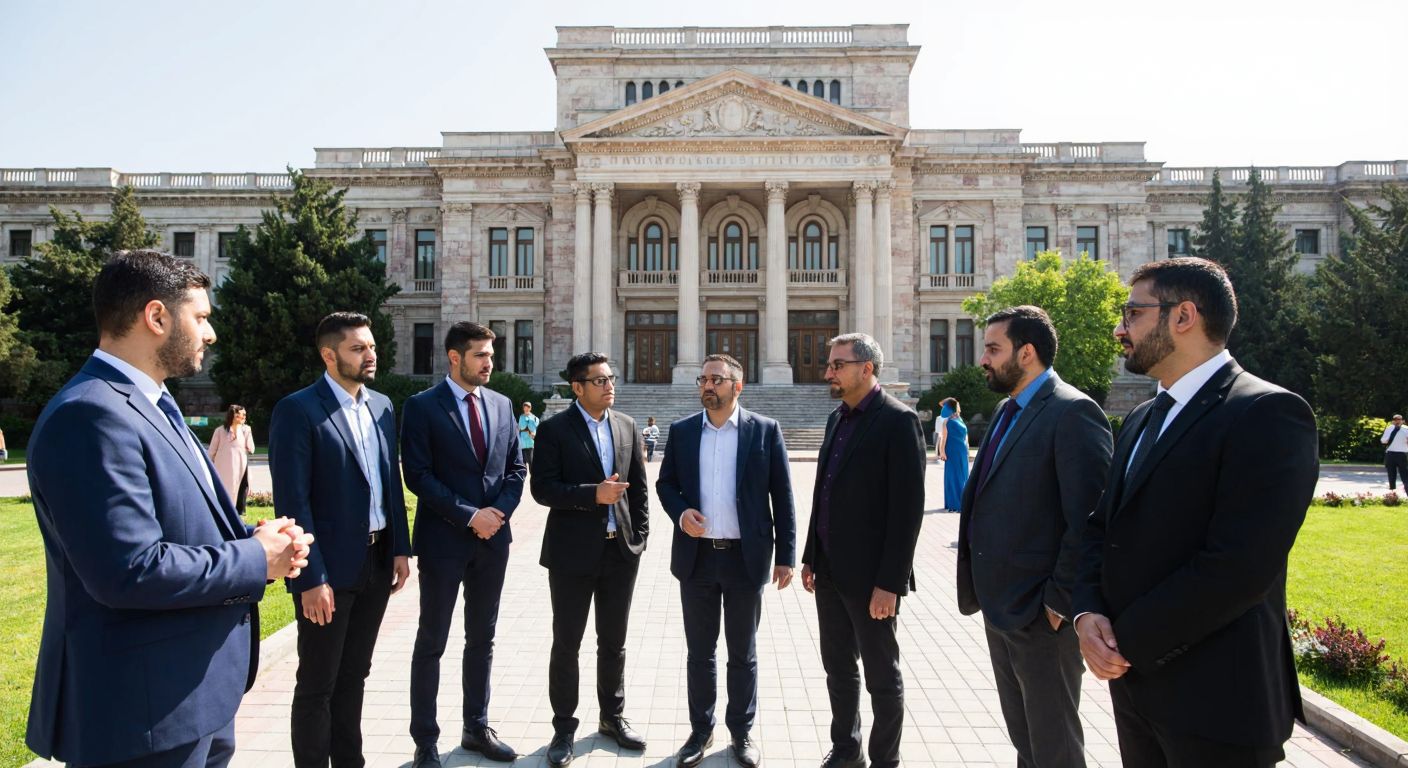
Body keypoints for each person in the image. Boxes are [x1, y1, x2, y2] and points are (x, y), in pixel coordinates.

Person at [26, 249, 310, 768]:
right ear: (156, 317)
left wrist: (257, 536)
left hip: (191, 697)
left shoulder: (153, 401)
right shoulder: (91, 414)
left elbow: (178, 525)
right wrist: (253, 558)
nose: (211, 334)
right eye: (201, 317)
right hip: (142, 717)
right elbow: (128, 571)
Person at [1074, 257, 1319, 767]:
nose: (1120, 328)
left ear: (1183, 317)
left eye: (1133, 313)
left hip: (1219, 705)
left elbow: (1239, 567)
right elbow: (1102, 529)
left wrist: (1124, 641)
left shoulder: (1267, 413)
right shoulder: (1143, 417)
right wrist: (1087, 614)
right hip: (1138, 693)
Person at [955, 306, 1113, 767]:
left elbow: (1088, 520)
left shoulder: (1073, 412)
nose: (982, 360)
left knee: (1055, 746)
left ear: (1027, 353)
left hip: (1042, 617)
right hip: (1003, 608)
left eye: (992, 349)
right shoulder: (1008, 410)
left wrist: (1057, 604)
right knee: (1027, 741)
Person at [269, 311, 412, 768]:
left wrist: (401, 548)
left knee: (356, 676)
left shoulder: (383, 406)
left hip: (375, 566)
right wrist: (310, 577)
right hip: (327, 572)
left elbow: (391, 482)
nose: (370, 355)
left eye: (371, 346)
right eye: (358, 348)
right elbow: (293, 502)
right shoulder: (298, 409)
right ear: (329, 355)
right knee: (318, 684)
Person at [656, 354, 796, 768]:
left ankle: (741, 732)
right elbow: (666, 485)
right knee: (700, 653)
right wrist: (682, 514)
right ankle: (700, 730)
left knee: (743, 652)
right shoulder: (682, 431)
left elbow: (783, 497)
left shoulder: (764, 431)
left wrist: (786, 556)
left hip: (745, 560)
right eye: (703, 378)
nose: (707, 385)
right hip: (696, 560)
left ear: (739, 385)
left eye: (716, 379)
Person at [402, 322, 527, 768]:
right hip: (443, 541)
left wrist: (498, 514)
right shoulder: (421, 407)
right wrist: (469, 515)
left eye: (491, 355)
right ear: (454, 357)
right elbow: (417, 475)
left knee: (483, 638)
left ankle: (476, 727)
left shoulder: (503, 404)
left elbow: (515, 468)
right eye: (481, 355)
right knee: (431, 640)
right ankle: (425, 741)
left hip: (494, 541)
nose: (490, 363)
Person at [800, 333, 926, 768]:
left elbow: (907, 512)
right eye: (830, 363)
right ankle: (846, 749)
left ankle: (885, 759)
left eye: (838, 364)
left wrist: (890, 584)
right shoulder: (838, 418)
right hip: (831, 572)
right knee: (838, 668)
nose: (828, 372)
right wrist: (810, 557)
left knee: (881, 676)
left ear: (867, 368)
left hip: (874, 580)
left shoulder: (898, 421)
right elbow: (824, 492)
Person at [530, 352, 650, 768]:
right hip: (571, 555)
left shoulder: (627, 426)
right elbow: (542, 489)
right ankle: (564, 727)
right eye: (599, 380)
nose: (609, 385)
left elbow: (639, 491)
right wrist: (590, 494)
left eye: (610, 378)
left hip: (620, 553)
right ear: (577, 387)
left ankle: (612, 717)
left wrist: (640, 538)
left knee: (613, 643)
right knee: (567, 643)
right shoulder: (554, 430)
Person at [208, 403, 256, 513]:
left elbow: (251, 448)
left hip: (240, 464)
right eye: (241, 414)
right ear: (233, 416)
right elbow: (212, 451)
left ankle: (237, 511)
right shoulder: (220, 431)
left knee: (239, 486)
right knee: (223, 486)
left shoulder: (246, 430)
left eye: (245, 415)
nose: (244, 417)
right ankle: (222, 509)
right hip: (222, 465)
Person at [936, 398, 969, 512]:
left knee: (963, 475)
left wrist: (967, 448)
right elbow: (943, 438)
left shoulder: (959, 418)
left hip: (962, 451)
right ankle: (954, 503)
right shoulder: (947, 421)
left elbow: (965, 437)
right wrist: (942, 452)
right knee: (953, 476)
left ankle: (963, 501)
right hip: (952, 450)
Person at [1382, 414, 1407, 491]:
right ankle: (1392, 494)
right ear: (1393, 421)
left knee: (1405, 475)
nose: (1397, 421)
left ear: (1402, 421)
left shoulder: (1406, 429)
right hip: (1391, 454)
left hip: (1402, 454)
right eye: (1396, 419)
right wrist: (1391, 435)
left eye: (1399, 419)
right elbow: (1383, 440)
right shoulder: (1389, 428)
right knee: (1391, 475)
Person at [519, 400, 541, 469]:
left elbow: (534, 428)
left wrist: (529, 421)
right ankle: (523, 477)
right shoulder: (521, 417)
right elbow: (520, 427)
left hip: (530, 441)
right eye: (525, 407)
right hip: (522, 441)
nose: (526, 408)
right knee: (523, 462)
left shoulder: (534, 418)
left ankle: (533, 477)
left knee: (531, 461)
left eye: (528, 407)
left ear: (530, 408)